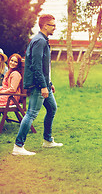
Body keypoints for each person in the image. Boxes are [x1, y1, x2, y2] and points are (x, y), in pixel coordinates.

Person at [12, 14, 63, 156]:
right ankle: (18, 146)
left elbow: (45, 66)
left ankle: (47, 140)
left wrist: (49, 83)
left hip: (44, 83)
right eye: (53, 25)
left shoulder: (43, 40)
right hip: (37, 85)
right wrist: (43, 86)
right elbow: (36, 66)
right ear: (45, 26)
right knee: (31, 113)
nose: (55, 27)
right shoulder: (39, 41)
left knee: (52, 108)